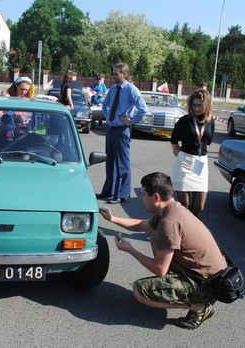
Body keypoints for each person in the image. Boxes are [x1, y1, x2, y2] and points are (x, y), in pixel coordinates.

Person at [99, 172, 227, 330]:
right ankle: (180, 288)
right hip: (209, 276)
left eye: (144, 194)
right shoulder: (173, 208)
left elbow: (160, 269)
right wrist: (112, 218)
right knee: (154, 236)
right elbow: (140, 225)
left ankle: (200, 307)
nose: (141, 198)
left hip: (208, 285)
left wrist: (130, 250)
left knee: (139, 290)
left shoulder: (169, 223)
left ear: (156, 197)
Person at [96, 62, 148, 204]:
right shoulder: (113, 89)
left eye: (116, 74)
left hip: (121, 130)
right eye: (113, 73)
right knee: (110, 161)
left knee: (122, 163)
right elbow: (105, 105)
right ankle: (109, 191)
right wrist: (108, 117)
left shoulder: (132, 90)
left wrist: (131, 121)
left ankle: (121, 194)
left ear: (124, 74)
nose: (113, 76)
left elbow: (143, 109)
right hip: (111, 129)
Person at [170, 89, 215, 216]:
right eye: (194, 105)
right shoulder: (185, 120)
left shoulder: (210, 121)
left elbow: (208, 141)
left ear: (206, 105)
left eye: (199, 105)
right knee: (184, 206)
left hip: (201, 164)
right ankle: (183, 231)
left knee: (198, 207)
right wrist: (176, 150)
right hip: (184, 163)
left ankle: (187, 226)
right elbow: (174, 139)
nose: (196, 108)